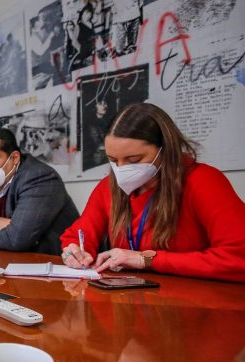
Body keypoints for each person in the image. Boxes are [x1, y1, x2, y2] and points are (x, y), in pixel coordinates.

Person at [61, 103, 245, 282]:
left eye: (134, 159)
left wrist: (146, 260)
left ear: (164, 150)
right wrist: (73, 252)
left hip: (198, 302)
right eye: (113, 160)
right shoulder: (109, 186)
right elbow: (76, 236)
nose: (122, 170)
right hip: (131, 301)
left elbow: (238, 258)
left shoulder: (203, 181)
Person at [0, 127, 79, 255]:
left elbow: (17, 238)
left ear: (14, 158)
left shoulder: (39, 177)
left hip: (49, 261)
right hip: (3, 259)